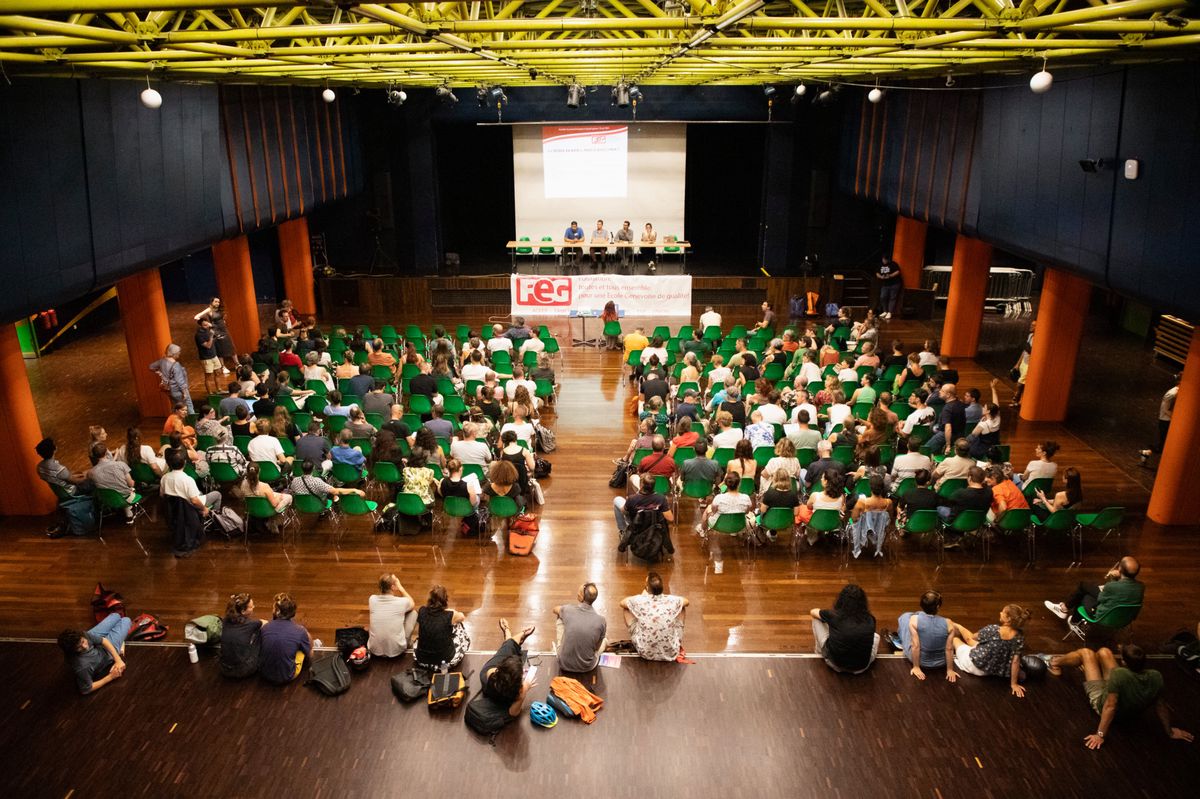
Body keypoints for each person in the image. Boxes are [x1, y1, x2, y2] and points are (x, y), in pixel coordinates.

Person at [1047, 644, 1193, 749]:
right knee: (1104, 652)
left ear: (1124, 663)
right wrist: (1169, 731)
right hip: (1128, 707)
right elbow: (1161, 705)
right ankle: (1090, 665)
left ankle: (1052, 662)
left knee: (1086, 653)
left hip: (1101, 701)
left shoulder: (1119, 675)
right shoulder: (1156, 675)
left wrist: (1100, 735)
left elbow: (1110, 706)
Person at [468, 620, 537, 732]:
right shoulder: (519, 691)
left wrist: (507, 670)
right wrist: (525, 690)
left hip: (488, 683)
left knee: (504, 651)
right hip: (501, 687)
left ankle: (510, 633)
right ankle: (518, 635)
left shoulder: (492, 673)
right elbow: (514, 713)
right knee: (508, 649)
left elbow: (494, 672)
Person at [949, 604, 1031, 697]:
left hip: (976, 665)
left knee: (956, 639)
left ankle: (957, 626)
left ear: (1008, 619)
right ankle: (958, 625)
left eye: (1003, 612)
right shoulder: (1019, 637)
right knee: (976, 643)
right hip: (993, 668)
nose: (1000, 613)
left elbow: (973, 637)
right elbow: (1015, 661)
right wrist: (1014, 684)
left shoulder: (992, 629)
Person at [1044, 555, 1144, 624]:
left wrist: (1113, 578)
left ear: (1120, 569)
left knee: (1084, 594)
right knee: (1085, 587)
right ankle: (1065, 609)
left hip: (1103, 616)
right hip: (1124, 618)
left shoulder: (1113, 586)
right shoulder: (1141, 586)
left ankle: (1071, 618)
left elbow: (1101, 598)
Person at [809, 584, 879, 674]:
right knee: (876, 636)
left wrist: (826, 619)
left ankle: (819, 652)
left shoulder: (833, 615)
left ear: (841, 600)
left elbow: (813, 612)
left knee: (816, 620)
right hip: (862, 667)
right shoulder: (870, 619)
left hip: (835, 664)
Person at [58, 612, 133, 695]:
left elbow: (104, 641)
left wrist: (118, 660)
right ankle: (118, 643)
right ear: (72, 650)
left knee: (116, 615)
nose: (85, 647)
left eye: (83, 642)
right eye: (79, 647)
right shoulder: (82, 667)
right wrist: (111, 677)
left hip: (95, 643)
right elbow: (86, 689)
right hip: (105, 653)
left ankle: (116, 641)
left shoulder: (82, 635)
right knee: (126, 620)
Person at [620, 572, 689, 661]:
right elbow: (686, 602)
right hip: (672, 652)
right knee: (681, 607)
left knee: (627, 608)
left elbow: (622, 603)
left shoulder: (640, 600)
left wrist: (643, 596)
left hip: (645, 653)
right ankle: (675, 634)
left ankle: (637, 633)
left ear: (647, 588)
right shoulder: (672, 600)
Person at [893, 591, 960, 681]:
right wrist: (950, 670)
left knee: (905, 617)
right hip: (942, 663)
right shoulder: (949, 623)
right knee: (917, 614)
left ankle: (900, 641)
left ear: (922, 604)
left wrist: (916, 667)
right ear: (938, 606)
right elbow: (949, 649)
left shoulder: (914, 620)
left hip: (921, 662)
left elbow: (915, 646)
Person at [697, 473, 753, 574]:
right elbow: (748, 511)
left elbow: (713, 510)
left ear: (726, 484)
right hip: (740, 525)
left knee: (707, 510)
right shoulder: (746, 497)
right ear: (739, 484)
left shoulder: (719, 498)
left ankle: (703, 529)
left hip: (719, 524)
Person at [258, 593, 312, 684]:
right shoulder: (300, 630)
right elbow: (310, 654)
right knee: (305, 646)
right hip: (287, 676)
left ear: (275, 610)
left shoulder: (265, 627)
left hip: (264, 674)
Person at [413, 585, 469, 671]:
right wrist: (450, 610)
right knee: (458, 625)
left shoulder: (422, 610)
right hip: (445, 660)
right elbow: (462, 617)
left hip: (421, 659)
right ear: (445, 599)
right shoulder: (450, 614)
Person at [554, 583, 607, 673]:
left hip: (563, 664)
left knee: (560, 617)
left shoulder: (568, 610)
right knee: (605, 641)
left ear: (582, 597)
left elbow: (555, 609)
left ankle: (560, 644)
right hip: (588, 667)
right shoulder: (602, 620)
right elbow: (596, 649)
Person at [368, 574, 417, 658]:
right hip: (397, 651)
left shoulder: (372, 599)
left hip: (374, 649)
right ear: (393, 587)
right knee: (413, 613)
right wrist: (401, 588)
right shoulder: (402, 602)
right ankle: (407, 643)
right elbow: (412, 603)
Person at [87, 443, 136, 522]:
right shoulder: (121, 465)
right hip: (125, 498)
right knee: (131, 488)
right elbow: (131, 484)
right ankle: (128, 511)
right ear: (107, 452)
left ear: (94, 456)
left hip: (106, 500)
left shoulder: (91, 473)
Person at [219, 592, 263, 679]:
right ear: (243, 611)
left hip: (224, 668)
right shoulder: (252, 624)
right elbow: (264, 623)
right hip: (243, 670)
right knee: (260, 633)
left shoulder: (225, 620)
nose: (254, 607)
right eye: (251, 606)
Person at [193, 297, 236, 373]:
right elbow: (196, 317)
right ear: (212, 302)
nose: (217, 303)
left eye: (218, 302)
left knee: (231, 346)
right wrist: (208, 324)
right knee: (219, 349)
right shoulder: (209, 310)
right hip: (216, 330)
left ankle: (237, 363)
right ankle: (223, 367)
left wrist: (223, 321)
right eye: (216, 301)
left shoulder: (219, 310)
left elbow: (221, 318)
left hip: (224, 329)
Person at [195, 319, 222, 395]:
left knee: (218, 373)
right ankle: (210, 393)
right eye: (205, 325)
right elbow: (208, 345)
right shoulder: (198, 335)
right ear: (200, 325)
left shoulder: (208, 330)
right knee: (208, 376)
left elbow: (216, 328)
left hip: (214, 355)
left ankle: (219, 390)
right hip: (206, 358)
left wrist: (214, 334)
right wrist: (211, 336)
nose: (207, 326)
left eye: (207, 324)